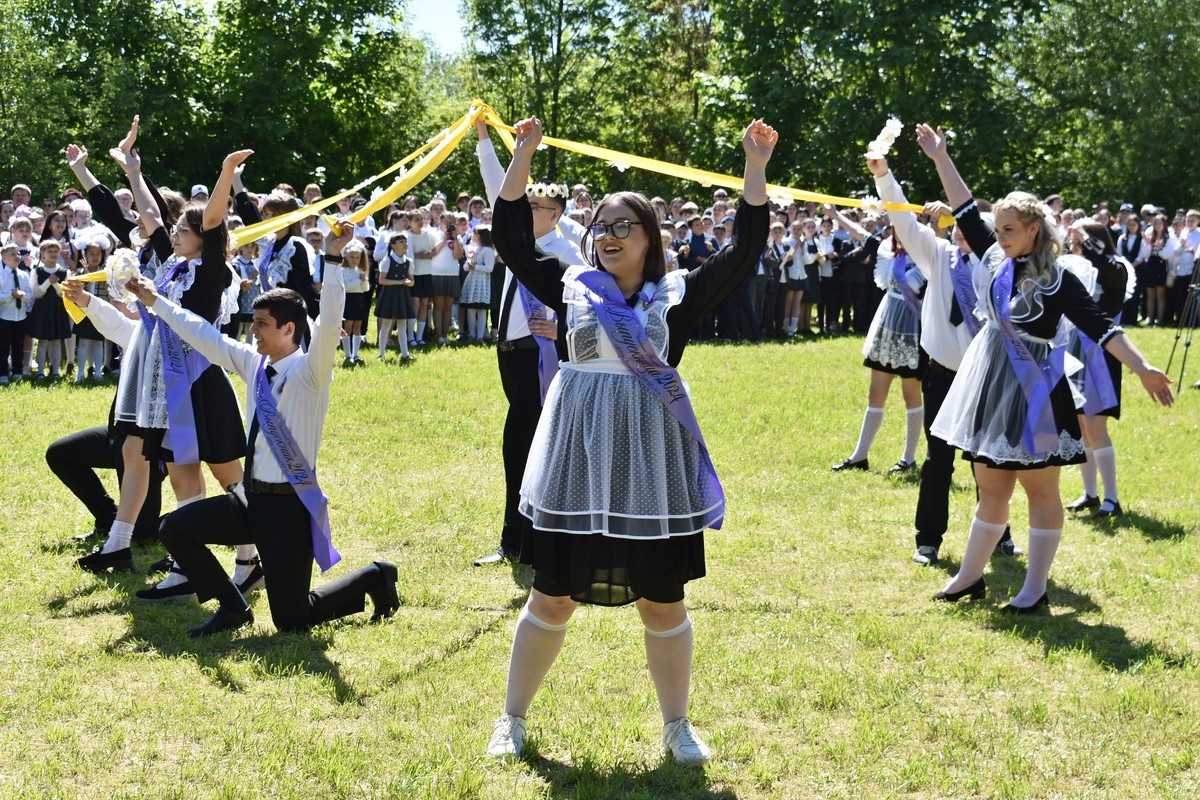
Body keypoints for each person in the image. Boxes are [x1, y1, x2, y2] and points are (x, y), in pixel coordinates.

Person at [484, 116, 775, 764]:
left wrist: (754, 166)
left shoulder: (677, 297)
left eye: (625, 225)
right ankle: (512, 719)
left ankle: (677, 727)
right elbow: (509, 235)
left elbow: (745, 250)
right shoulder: (569, 288)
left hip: (650, 469)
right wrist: (523, 154)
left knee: (662, 604)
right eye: (602, 226)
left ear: (650, 239)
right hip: (576, 462)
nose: (609, 235)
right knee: (549, 598)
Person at [918, 123, 1173, 613]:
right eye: (999, 230)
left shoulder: (1058, 280)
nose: (1000, 237)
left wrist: (1143, 369)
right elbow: (967, 209)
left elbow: (1103, 329)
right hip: (991, 385)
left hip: (1036, 391)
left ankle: (1034, 588)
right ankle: (969, 578)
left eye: (1010, 229)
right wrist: (940, 157)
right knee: (990, 483)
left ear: (1035, 230)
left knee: (1039, 488)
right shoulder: (996, 257)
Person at [115, 219, 399, 637]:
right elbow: (205, 335)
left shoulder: (311, 372)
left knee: (292, 619)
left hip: (289, 509)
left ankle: (376, 575)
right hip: (250, 502)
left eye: (263, 324)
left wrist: (334, 260)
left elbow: (330, 314)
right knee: (175, 528)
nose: (254, 331)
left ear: (289, 329)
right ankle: (232, 606)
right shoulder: (254, 363)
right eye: (253, 323)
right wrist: (156, 301)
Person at [866, 153, 1016, 565]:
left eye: (969, 228)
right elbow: (904, 223)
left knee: (989, 458)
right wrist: (884, 175)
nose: (960, 234)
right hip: (942, 374)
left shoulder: (995, 267)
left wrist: (958, 215)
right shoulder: (937, 255)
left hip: (984, 376)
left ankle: (1000, 531)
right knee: (938, 458)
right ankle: (928, 540)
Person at [472, 118, 584, 567]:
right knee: (525, 445)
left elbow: (589, 308)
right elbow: (500, 188)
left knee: (520, 445)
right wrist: (485, 140)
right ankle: (529, 537)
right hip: (510, 356)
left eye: (535, 205)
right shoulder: (516, 243)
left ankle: (519, 541)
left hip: (542, 361)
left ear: (555, 214)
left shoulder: (566, 254)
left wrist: (563, 330)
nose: (524, 208)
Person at [831, 220, 925, 475]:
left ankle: (909, 458)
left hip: (912, 331)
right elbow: (863, 235)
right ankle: (859, 455)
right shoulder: (890, 251)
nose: (899, 236)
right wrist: (835, 215)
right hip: (886, 329)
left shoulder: (928, 258)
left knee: (911, 395)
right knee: (876, 394)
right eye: (897, 231)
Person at [1064, 221, 1132, 518]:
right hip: (1073, 351)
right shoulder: (1075, 266)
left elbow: (1107, 270)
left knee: (1095, 425)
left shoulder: (1115, 266)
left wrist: (1088, 243)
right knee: (1080, 425)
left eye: (1082, 240)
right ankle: (1090, 494)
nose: (1076, 245)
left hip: (1102, 354)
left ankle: (1112, 498)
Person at [374, 231, 414, 361]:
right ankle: (381, 354)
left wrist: (408, 283)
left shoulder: (409, 262)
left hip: (402, 294)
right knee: (386, 325)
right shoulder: (387, 260)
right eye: (401, 242)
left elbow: (412, 281)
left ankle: (405, 354)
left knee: (402, 325)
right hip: (390, 295)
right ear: (393, 245)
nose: (404, 244)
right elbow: (381, 280)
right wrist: (398, 282)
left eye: (405, 241)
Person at [460, 226, 494, 342]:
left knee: (481, 310)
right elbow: (465, 267)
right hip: (472, 281)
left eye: (474, 234)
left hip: (482, 282)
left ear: (479, 236)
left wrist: (476, 266)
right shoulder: (474, 249)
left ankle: (479, 336)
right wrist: (469, 263)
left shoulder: (488, 250)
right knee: (470, 310)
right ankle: (472, 335)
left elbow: (489, 268)